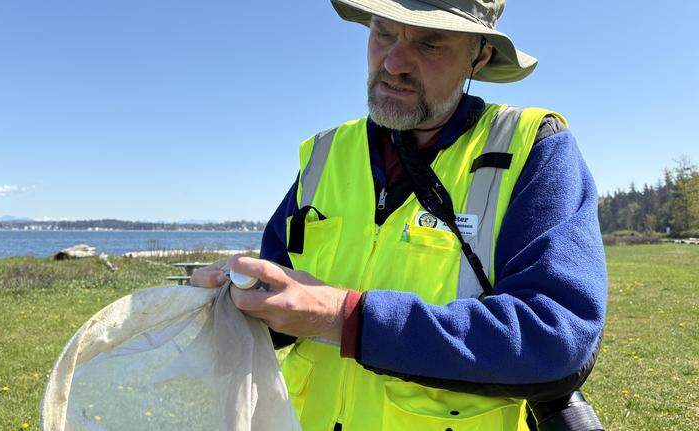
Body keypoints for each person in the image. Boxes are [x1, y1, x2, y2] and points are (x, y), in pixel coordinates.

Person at [192, 1, 607, 430]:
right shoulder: (325, 153)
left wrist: (345, 318)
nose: (393, 63)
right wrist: (239, 297)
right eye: (383, 33)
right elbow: (285, 299)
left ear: (479, 56)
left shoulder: (532, 148)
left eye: (429, 43)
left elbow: (555, 337)